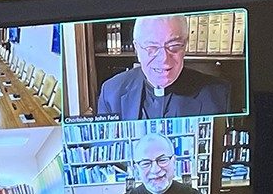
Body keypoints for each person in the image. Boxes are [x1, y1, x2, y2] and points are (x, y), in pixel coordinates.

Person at [97, 14, 230, 119]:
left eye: (173, 47)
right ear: (137, 48)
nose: (164, 59)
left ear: (185, 45)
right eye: (152, 48)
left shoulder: (219, 95)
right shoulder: (111, 92)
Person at [104, 133, 213, 194]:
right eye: (146, 163)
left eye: (162, 160)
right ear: (137, 169)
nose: (155, 170)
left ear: (174, 161)